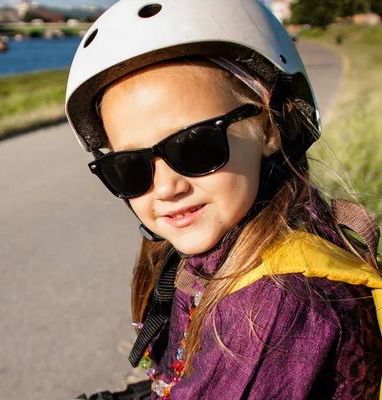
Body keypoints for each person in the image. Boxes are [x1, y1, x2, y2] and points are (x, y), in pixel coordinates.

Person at [65, 0, 382, 399]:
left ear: (268, 128)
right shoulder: (215, 257)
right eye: (128, 167)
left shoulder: (276, 306)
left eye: (195, 145)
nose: (166, 188)